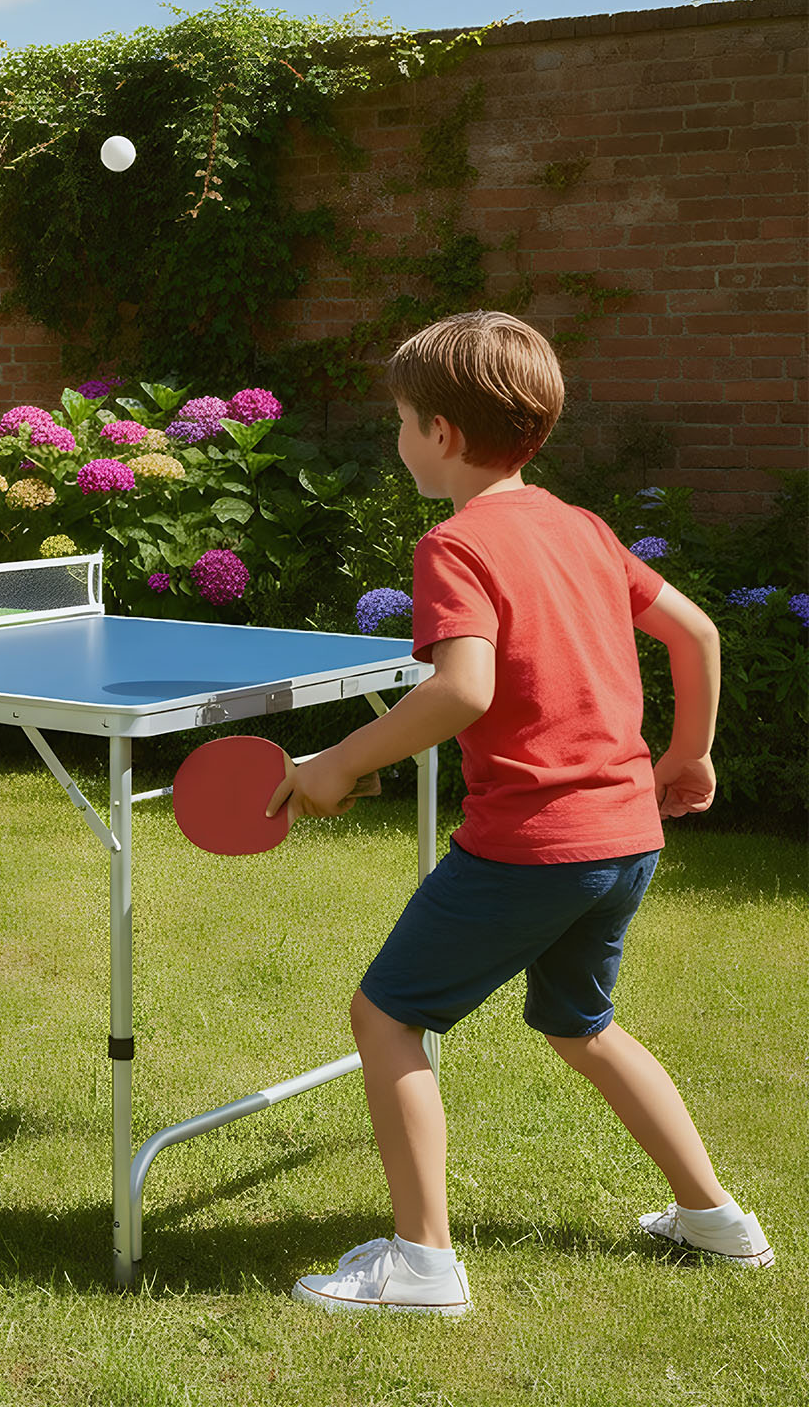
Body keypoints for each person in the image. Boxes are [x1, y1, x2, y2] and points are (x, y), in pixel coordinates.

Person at [268, 311, 772, 1315]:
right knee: (584, 1025)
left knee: (386, 1015)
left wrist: (334, 759)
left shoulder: (453, 544)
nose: (399, 437)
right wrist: (687, 753)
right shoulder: (578, 526)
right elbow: (696, 631)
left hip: (531, 845)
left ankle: (421, 1264)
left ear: (441, 435)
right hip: (624, 836)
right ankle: (716, 1220)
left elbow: (463, 690)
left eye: (403, 420)